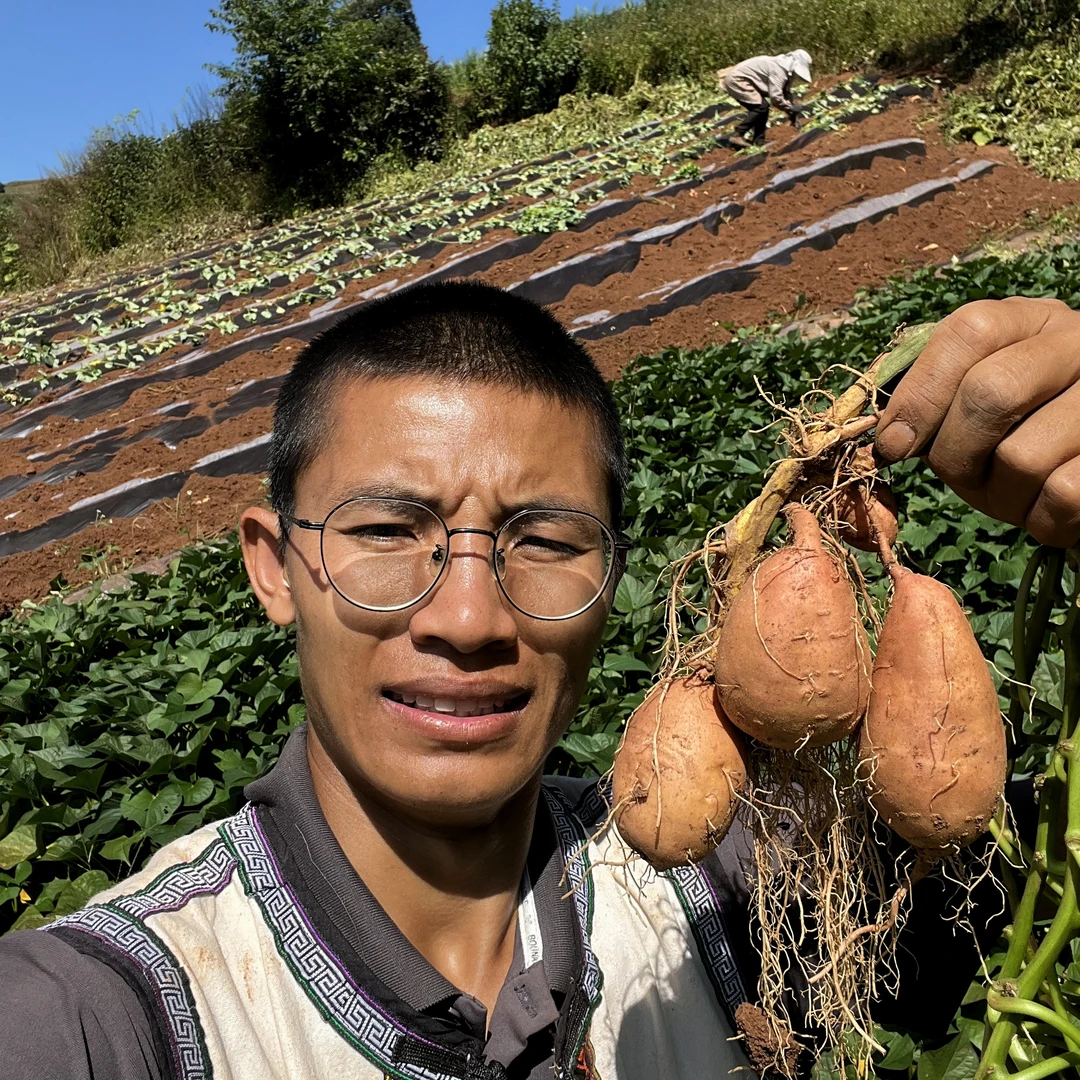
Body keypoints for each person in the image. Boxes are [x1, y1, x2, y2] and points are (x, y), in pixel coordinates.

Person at [0, 282, 1078, 1080]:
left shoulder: (730, 883)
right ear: (274, 568)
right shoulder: (109, 1015)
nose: (468, 618)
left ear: (615, 578)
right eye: (387, 529)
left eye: (546, 540)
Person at [722, 49, 813, 148]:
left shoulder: (785, 70)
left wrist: (792, 114)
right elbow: (775, 96)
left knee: (763, 108)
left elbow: (785, 92)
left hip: (742, 80)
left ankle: (759, 140)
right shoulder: (779, 70)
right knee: (761, 107)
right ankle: (738, 134)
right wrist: (790, 108)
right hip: (737, 80)